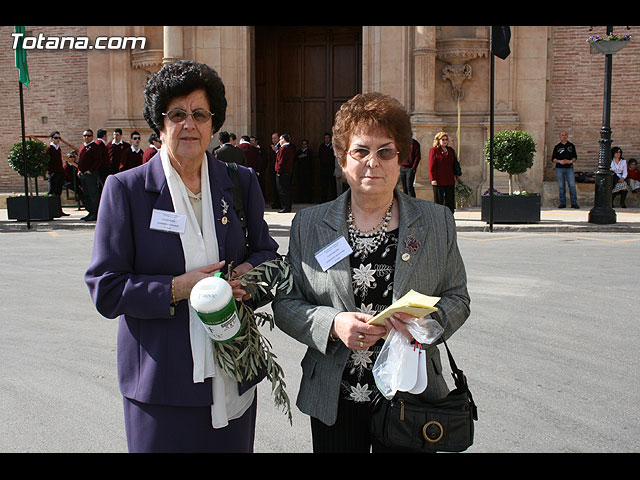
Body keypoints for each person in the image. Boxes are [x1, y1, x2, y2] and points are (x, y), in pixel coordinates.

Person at [84, 60, 279, 453]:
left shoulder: (240, 182)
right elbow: (106, 289)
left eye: (200, 114)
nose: (189, 124)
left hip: (231, 375)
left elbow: (268, 256)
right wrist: (177, 288)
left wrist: (246, 277)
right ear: (160, 123)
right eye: (177, 114)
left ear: (213, 123)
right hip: (160, 387)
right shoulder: (126, 190)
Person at [272, 92, 470, 453]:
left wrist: (423, 327)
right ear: (342, 159)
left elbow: (458, 297)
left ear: (401, 159)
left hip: (411, 397)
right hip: (335, 398)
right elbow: (286, 303)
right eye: (360, 151)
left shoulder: (436, 222)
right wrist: (332, 324)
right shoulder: (309, 225)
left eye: (385, 152)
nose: (372, 163)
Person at [77, 129, 102, 221]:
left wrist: (91, 170)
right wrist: (79, 170)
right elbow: (80, 160)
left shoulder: (94, 147)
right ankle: (90, 212)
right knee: (86, 194)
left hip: (90, 175)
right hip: (82, 174)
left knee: (93, 194)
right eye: (85, 136)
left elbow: (98, 160)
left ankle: (95, 213)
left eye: (88, 135)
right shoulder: (83, 147)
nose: (86, 137)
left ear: (92, 137)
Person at [428, 131, 457, 213]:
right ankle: (438, 216)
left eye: (446, 139)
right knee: (439, 201)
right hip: (439, 180)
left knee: (450, 201)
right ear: (438, 140)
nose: (445, 141)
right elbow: (431, 166)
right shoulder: (434, 150)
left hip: (449, 179)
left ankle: (450, 215)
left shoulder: (450, 150)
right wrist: (433, 179)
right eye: (443, 139)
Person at [552, 130, 579, 208]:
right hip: (559, 168)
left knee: (572, 185)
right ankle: (562, 203)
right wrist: (560, 161)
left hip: (569, 168)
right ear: (560, 137)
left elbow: (575, 158)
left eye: (565, 135)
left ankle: (574, 203)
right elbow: (553, 159)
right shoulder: (557, 147)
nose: (564, 136)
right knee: (561, 186)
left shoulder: (571, 146)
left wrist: (569, 161)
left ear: (567, 136)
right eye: (562, 135)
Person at [46, 131, 68, 216]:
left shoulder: (58, 148)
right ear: (51, 138)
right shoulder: (49, 149)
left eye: (59, 138)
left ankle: (59, 211)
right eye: (56, 138)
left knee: (58, 192)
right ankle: (52, 211)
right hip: (53, 173)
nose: (57, 140)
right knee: (52, 192)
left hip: (60, 172)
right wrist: (51, 172)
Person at [275, 133, 295, 213]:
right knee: (286, 190)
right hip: (288, 172)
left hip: (283, 173)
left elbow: (281, 161)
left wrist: (279, 171)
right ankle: (287, 206)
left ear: (283, 139)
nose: (279, 141)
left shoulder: (284, 148)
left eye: (280, 139)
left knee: (283, 190)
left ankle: (285, 207)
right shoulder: (290, 148)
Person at [318, 132, 336, 202]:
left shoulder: (333, 147)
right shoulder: (322, 146)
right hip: (323, 168)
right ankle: (323, 200)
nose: (326, 139)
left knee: (332, 185)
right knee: (324, 185)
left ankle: (333, 200)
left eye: (328, 138)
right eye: (325, 138)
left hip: (331, 168)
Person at [295, 139, 313, 203]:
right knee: (301, 186)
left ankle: (309, 200)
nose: (304, 145)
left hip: (308, 172)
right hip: (300, 171)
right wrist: (300, 156)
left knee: (308, 186)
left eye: (305, 144)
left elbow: (311, 160)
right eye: (303, 144)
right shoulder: (299, 151)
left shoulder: (310, 151)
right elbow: (296, 158)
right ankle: (301, 199)